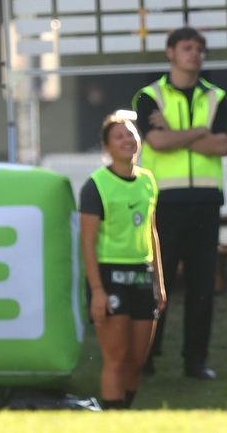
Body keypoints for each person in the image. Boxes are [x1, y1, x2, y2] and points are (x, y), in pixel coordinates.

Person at [132, 27, 227, 380]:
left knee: (203, 286)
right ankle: (146, 357)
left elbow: (222, 146)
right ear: (170, 52)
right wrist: (199, 132)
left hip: (205, 200)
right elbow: (156, 142)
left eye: (201, 48)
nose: (195, 54)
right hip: (165, 201)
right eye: (188, 48)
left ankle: (195, 360)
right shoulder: (148, 95)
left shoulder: (217, 95)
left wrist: (177, 133)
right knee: (159, 284)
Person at [79, 115, 166, 409]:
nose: (127, 141)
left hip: (143, 276)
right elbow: (87, 242)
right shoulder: (96, 185)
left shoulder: (148, 181)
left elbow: (151, 232)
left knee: (136, 363)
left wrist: (160, 284)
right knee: (115, 360)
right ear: (107, 147)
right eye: (119, 137)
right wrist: (97, 291)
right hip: (110, 276)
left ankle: (123, 416)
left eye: (131, 134)